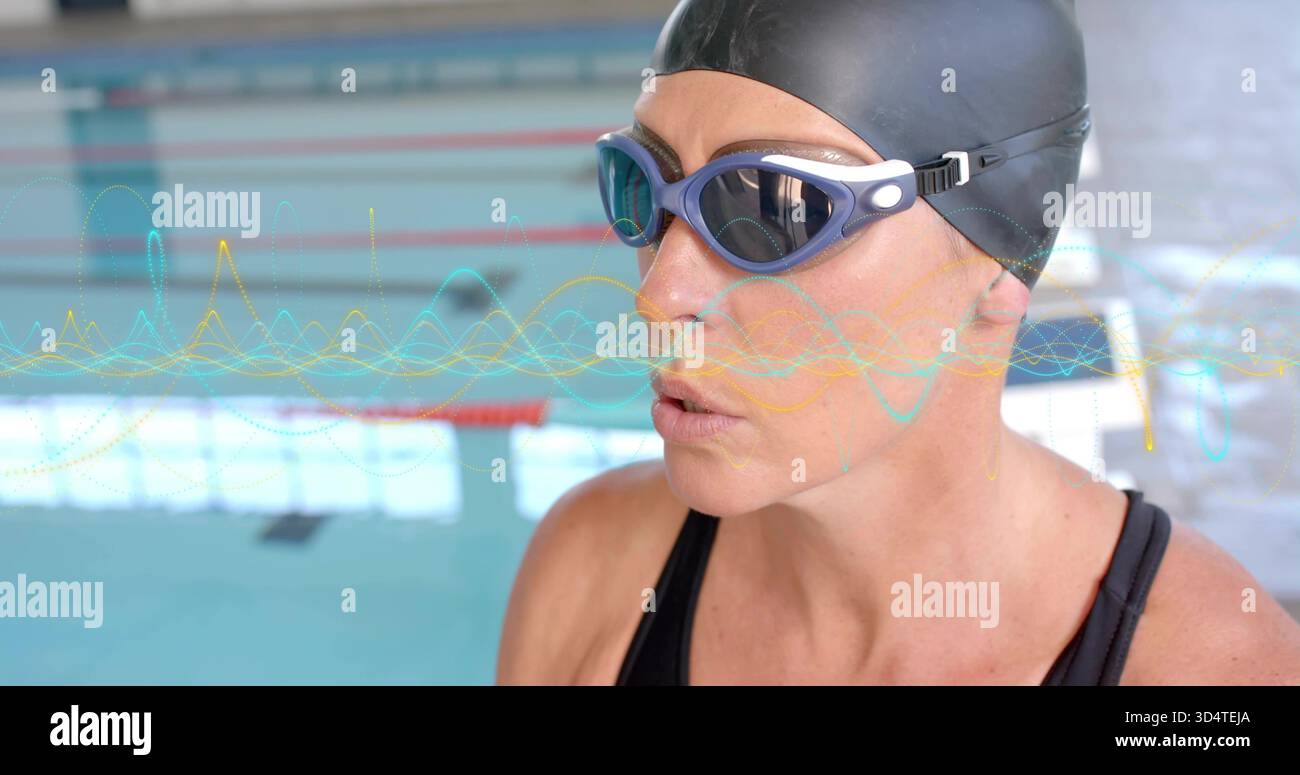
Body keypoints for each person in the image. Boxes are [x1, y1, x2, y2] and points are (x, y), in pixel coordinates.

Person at [497, 0, 1300, 684]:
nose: (660, 291)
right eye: (643, 183)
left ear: (1000, 257)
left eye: (775, 207)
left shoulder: (1208, 670)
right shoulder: (592, 567)